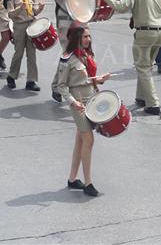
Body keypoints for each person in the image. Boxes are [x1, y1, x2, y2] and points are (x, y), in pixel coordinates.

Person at [101, 0, 161, 115]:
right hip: (160, 34)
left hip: (144, 34)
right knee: (146, 66)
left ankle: (153, 103)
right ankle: (141, 97)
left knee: (143, 68)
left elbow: (121, 7)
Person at [55, 26, 112, 197]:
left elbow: (86, 80)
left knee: (80, 140)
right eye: (85, 37)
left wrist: (100, 80)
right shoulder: (67, 59)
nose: (88, 40)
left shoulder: (86, 55)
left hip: (91, 100)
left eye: (89, 36)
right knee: (88, 138)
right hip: (78, 103)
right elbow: (61, 86)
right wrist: (73, 103)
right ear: (76, 39)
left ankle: (72, 179)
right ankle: (88, 183)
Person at [6, 0, 46, 91]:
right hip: (19, 26)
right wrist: (20, 8)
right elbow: (10, 14)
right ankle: (11, 76)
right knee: (19, 53)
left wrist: (40, 8)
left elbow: (33, 12)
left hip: (31, 24)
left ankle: (31, 80)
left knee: (31, 54)